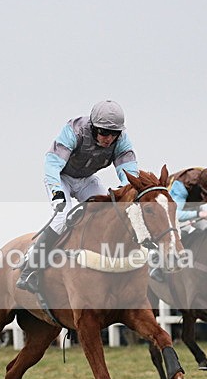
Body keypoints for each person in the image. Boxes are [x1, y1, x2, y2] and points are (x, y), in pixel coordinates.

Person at [17, 100, 140, 293]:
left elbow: (130, 173)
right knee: (62, 218)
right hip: (61, 177)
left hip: (87, 180)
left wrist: (129, 193)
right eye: (104, 133)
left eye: (114, 134)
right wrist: (57, 191)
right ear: (93, 127)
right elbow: (52, 163)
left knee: (109, 215)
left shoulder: (121, 140)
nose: (109, 139)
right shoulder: (75, 130)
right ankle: (30, 269)